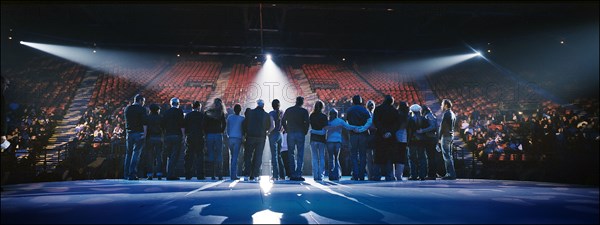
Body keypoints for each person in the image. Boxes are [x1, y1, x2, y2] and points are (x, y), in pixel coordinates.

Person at [314, 108, 358, 181]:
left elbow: (323, 132)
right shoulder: (340, 121)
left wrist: (313, 131)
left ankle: (331, 176)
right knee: (336, 159)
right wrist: (357, 127)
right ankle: (337, 175)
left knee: (331, 159)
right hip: (337, 142)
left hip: (329, 142)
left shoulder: (328, 122)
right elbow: (348, 127)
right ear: (337, 114)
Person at [243, 99, 273, 181]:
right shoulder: (266, 115)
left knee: (248, 155)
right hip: (261, 137)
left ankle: (247, 173)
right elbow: (268, 126)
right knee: (258, 156)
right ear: (263, 105)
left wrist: (245, 133)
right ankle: (255, 174)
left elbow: (245, 124)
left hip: (250, 136)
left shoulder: (250, 113)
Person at [372, 95, 399, 181]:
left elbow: (376, 122)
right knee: (389, 157)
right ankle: (390, 175)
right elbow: (396, 124)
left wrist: (383, 132)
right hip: (391, 137)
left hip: (380, 136)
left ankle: (376, 175)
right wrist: (389, 133)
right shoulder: (395, 111)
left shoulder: (378, 109)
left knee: (378, 156)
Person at [282, 96, 309, 181]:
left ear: (296, 101)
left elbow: (283, 121)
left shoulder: (289, 110)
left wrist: (287, 129)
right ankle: (298, 174)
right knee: (300, 154)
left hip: (290, 133)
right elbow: (307, 122)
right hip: (300, 133)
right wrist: (305, 131)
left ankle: (292, 174)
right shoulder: (304, 111)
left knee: (291, 154)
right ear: (302, 102)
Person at [345, 95, 371, 180]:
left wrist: (353, 128)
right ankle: (362, 175)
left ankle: (355, 175)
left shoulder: (349, 110)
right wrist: (362, 129)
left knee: (354, 155)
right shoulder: (364, 110)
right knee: (363, 155)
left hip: (353, 134)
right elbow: (369, 121)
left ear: (353, 101)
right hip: (363, 135)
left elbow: (346, 122)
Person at [123, 94, 148, 180]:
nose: (143, 103)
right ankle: (132, 174)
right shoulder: (142, 109)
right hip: (138, 133)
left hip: (129, 133)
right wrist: (145, 133)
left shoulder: (127, 108)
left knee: (128, 154)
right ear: (140, 101)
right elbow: (144, 122)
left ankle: (126, 174)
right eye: (143, 101)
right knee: (136, 153)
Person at [162, 97, 185, 180]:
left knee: (169, 155)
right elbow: (182, 125)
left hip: (168, 135)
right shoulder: (179, 111)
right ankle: (171, 174)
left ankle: (169, 172)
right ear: (178, 104)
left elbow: (163, 125)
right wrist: (183, 135)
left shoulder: (166, 112)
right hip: (176, 135)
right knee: (174, 155)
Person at [204, 98, 227, 180]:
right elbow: (224, 124)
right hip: (218, 134)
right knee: (219, 154)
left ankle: (212, 174)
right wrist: (221, 131)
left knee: (211, 154)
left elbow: (205, 124)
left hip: (210, 134)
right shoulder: (221, 112)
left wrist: (206, 132)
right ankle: (220, 174)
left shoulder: (208, 111)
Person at [417, 105, 442, 180]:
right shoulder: (431, 115)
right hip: (432, 138)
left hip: (430, 138)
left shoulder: (429, 116)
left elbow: (432, 127)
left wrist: (422, 130)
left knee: (431, 157)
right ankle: (432, 173)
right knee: (431, 157)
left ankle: (431, 174)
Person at [184, 101, 205, 180]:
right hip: (199, 137)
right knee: (199, 156)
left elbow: (185, 126)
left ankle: (188, 174)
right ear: (199, 107)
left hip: (190, 137)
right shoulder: (202, 115)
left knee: (189, 156)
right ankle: (200, 175)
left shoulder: (188, 115)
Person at [407, 104, 428, 180]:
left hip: (412, 141)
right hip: (422, 141)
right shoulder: (424, 119)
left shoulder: (410, 119)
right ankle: (422, 175)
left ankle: (413, 175)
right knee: (422, 158)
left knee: (412, 158)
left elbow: (409, 131)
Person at [309, 100, 328, 181]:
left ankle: (315, 175)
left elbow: (310, 128)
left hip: (313, 139)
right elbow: (324, 131)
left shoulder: (311, 116)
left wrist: (313, 131)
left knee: (314, 158)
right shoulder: (324, 116)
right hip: (321, 140)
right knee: (321, 158)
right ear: (322, 107)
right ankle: (320, 175)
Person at [144, 103, 164, 180]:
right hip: (159, 137)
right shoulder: (161, 117)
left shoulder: (147, 118)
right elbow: (163, 128)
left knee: (150, 157)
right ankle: (159, 173)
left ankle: (150, 174)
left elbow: (145, 128)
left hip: (149, 138)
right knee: (159, 156)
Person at [439, 99, 457, 180]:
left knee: (446, 156)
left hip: (446, 136)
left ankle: (450, 174)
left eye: (442, 104)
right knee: (449, 155)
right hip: (451, 136)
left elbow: (442, 127)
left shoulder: (446, 113)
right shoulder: (453, 113)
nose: (441, 106)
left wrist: (439, 137)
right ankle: (450, 173)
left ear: (446, 105)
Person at [268, 99, 285, 180]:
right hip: (279, 135)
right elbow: (284, 125)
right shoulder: (282, 112)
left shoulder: (271, 113)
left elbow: (272, 126)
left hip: (273, 135)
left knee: (274, 156)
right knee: (279, 155)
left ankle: (275, 175)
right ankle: (282, 175)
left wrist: (268, 132)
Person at [226, 104, 244, 180]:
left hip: (230, 138)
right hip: (238, 138)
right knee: (235, 157)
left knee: (232, 156)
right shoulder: (243, 118)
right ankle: (233, 175)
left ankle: (232, 174)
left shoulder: (230, 117)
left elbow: (227, 128)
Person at [364, 100, 379, 180]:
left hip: (373, 136)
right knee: (370, 157)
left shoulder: (375, 114)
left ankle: (373, 175)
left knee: (372, 157)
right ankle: (371, 175)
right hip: (369, 136)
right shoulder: (368, 114)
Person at [394, 102, 410, 181]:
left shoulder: (397, 115)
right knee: (401, 157)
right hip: (404, 138)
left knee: (394, 156)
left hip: (395, 137)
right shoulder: (407, 116)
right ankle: (399, 175)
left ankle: (394, 174)